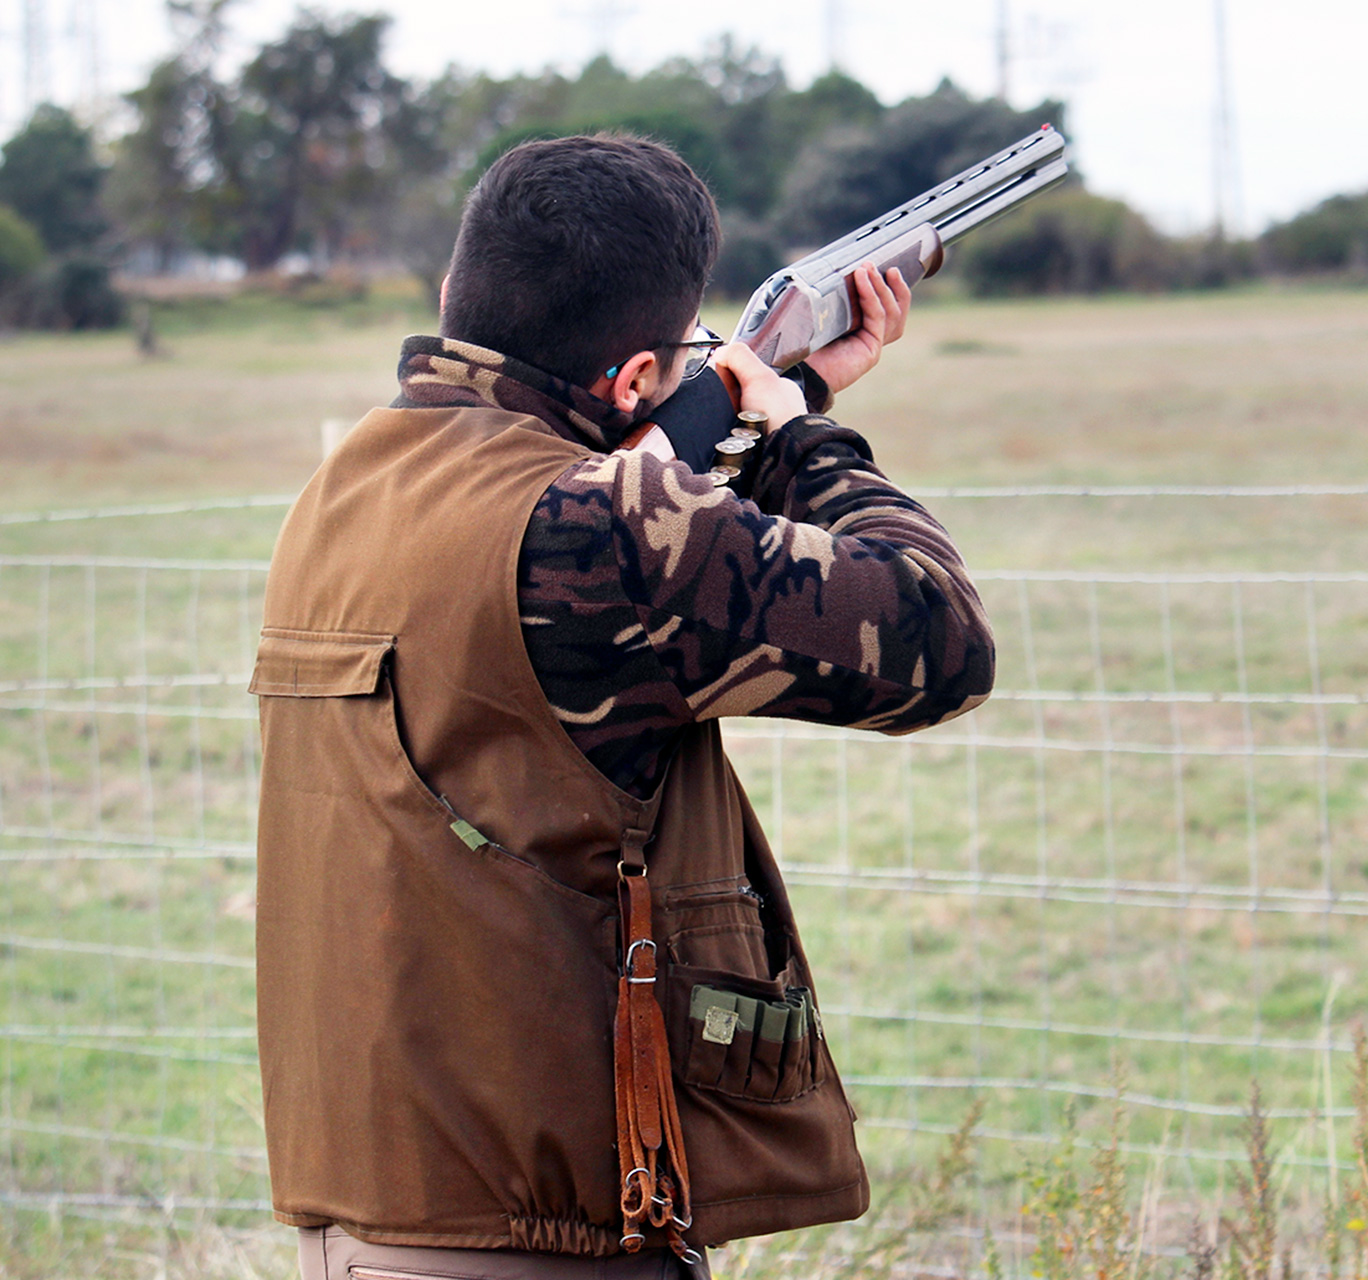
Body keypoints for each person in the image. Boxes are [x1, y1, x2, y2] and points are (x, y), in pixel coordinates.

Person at [248, 133, 995, 1280]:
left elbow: (630, 555)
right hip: (550, 1243)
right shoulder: (601, 526)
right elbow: (939, 637)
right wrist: (800, 427)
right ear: (640, 376)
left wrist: (721, 413)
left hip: (357, 1219)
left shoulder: (350, 482)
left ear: (456, 295)